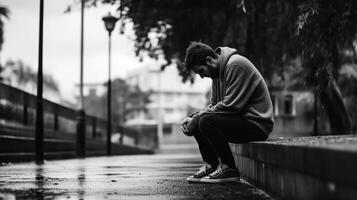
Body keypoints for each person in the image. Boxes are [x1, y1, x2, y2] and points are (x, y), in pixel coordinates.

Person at [181, 41, 274, 183]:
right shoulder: (217, 75)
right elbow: (214, 106)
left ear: (209, 60)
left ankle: (228, 167)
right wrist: (192, 118)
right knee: (200, 119)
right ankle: (211, 165)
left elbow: (232, 106)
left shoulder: (236, 65)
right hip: (240, 120)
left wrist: (199, 117)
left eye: (201, 71)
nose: (201, 76)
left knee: (205, 120)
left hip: (256, 124)